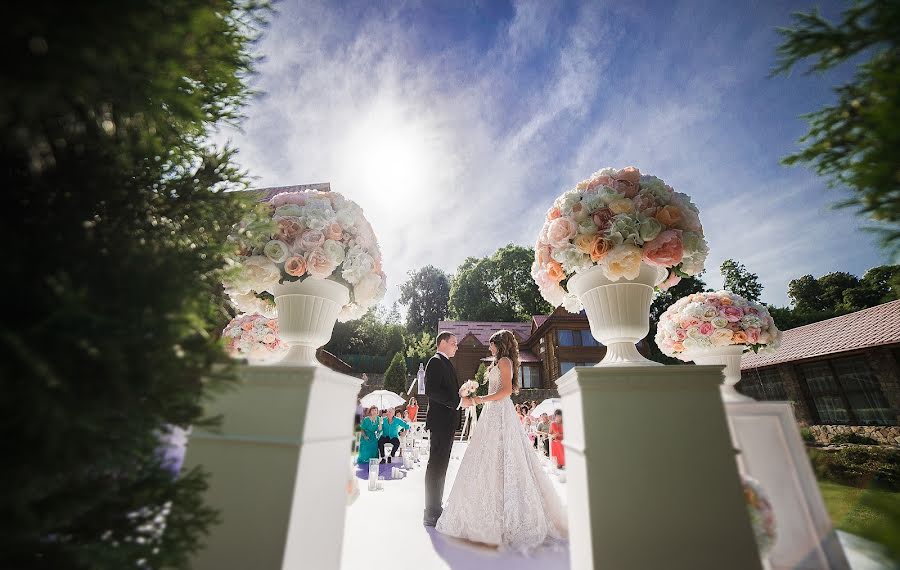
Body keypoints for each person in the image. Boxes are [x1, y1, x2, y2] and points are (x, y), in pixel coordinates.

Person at [436, 330, 567, 551]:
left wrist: (478, 399)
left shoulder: (505, 361)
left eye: (492, 344)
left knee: (507, 456)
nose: (489, 348)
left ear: (500, 344)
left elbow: (505, 391)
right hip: (491, 413)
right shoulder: (499, 361)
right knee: (488, 459)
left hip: (500, 413)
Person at [423, 331, 464, 527]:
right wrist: (457, 401)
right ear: (442, 343)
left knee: (442, 466)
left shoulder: (446, 362)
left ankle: (436, 506)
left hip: (446, 423)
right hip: (440, 422)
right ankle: (430, 511)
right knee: (436, 466)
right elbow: (432, 391)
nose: (457, 346)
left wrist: (460, 394)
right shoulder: (435, 361)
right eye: (454, 343)